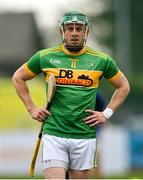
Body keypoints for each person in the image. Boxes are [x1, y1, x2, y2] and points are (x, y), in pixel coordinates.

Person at [12, 11, 130, 179]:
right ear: (62, 32)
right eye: (69, 28)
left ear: (86, 32)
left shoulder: (102, 60)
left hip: (84, 135)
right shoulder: (45, 57)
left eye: (79, 28)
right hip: (54, 133)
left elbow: (123, 86)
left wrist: (107, 113)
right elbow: (18, 77)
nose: (74, 33)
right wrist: (31, 108)